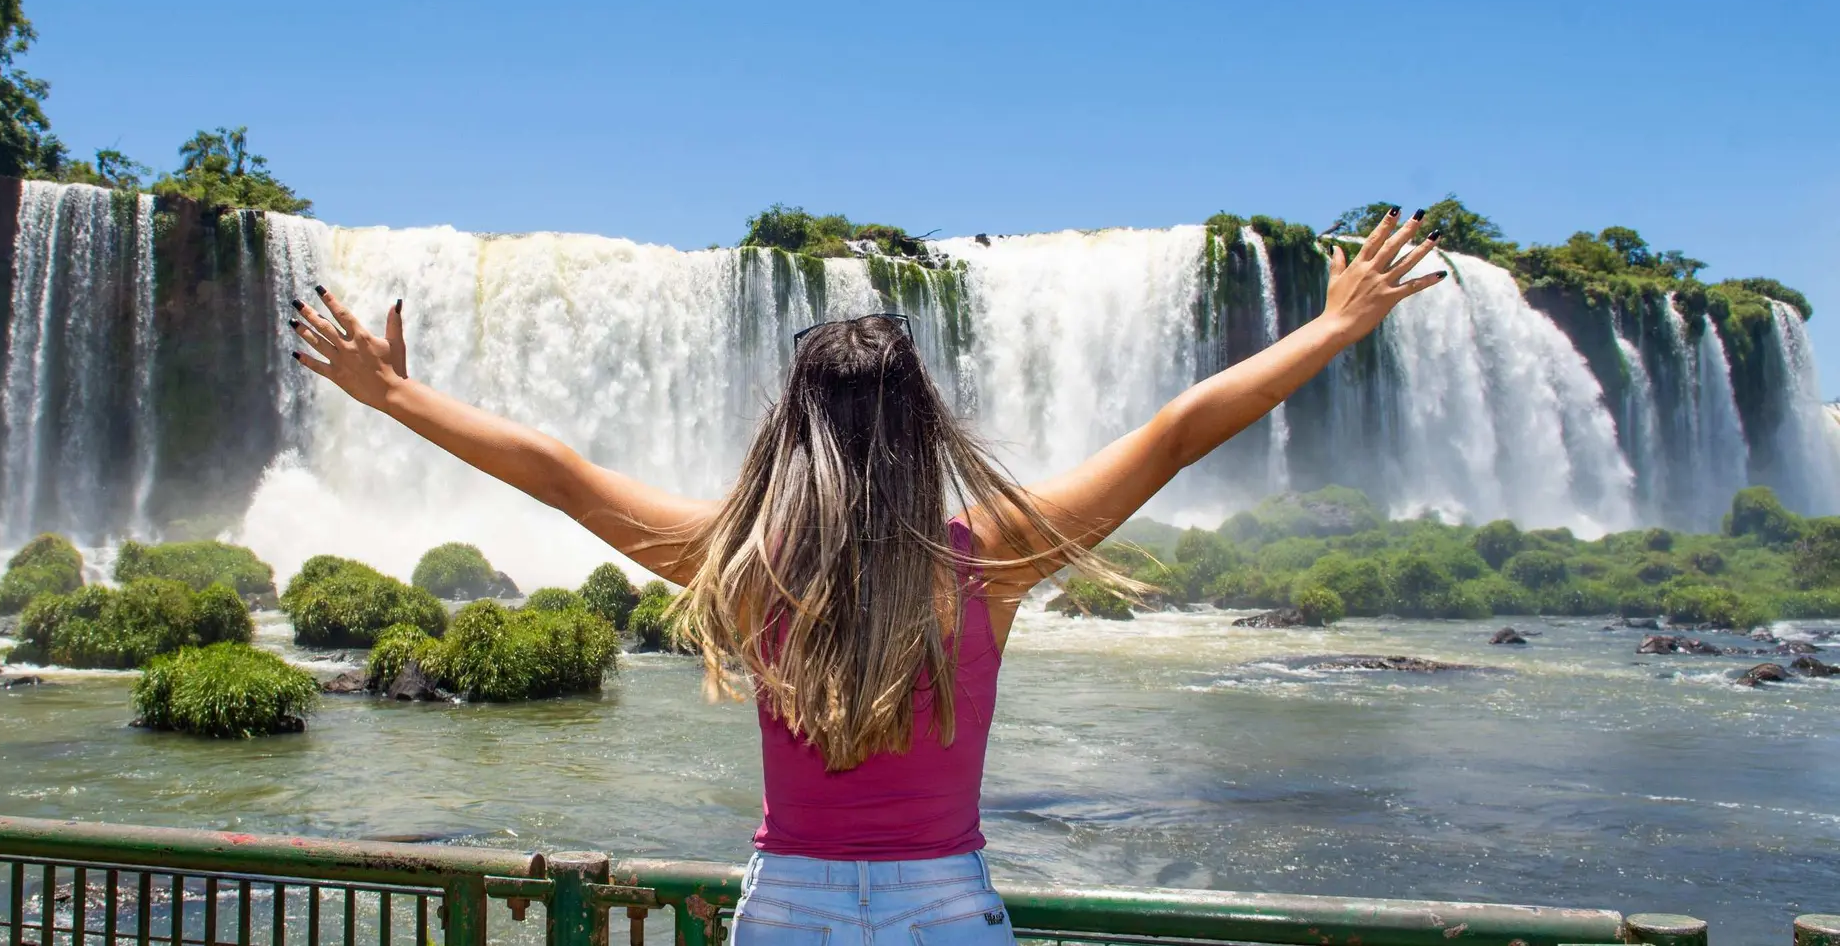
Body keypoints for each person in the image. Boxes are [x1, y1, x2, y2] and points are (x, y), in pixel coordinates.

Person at [287, 208, 1446, 944]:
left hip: (787, 907)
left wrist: (393, 395)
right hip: (946, 908)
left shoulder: (737, 555)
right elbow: (1180, 429)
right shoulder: (990, 558)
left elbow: (561, 476)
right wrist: (1339, 324)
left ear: (794, 428)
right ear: (923, 425)